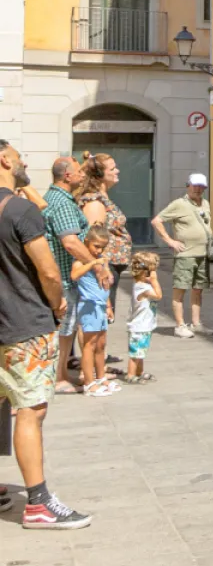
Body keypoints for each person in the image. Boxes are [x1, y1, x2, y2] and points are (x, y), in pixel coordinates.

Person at [0, 140, 90, 529]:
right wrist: (57, 305)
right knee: (30, 410)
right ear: (4, 159)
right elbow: (50, 272)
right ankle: (37, 502)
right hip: (23, 323)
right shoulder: (21, 209)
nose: (23, 162)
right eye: (19, 156)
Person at [41, 157, 94, 394]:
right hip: (63, 277)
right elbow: (71, 241)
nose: (82, 175)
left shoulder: (58, 198)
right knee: (65, 330)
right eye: (79, 172)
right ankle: (60, 376)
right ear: (67, 176)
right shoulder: (61, 203)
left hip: (65, 276)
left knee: (67, 329)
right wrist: (96, 264)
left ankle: (61, 373)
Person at [151, 173, 213, 340]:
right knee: (180, 290)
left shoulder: (205, 204)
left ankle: (196, 323)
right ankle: (180, 325)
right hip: (185, 255)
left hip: (202, 254)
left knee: (198, 290)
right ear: (188, 185)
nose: (198, 189)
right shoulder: (179, 204)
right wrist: (170, 241)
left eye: (202, 186)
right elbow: (157, 221)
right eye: (195, 186)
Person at [77, 153, 132, 328]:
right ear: (100, 175)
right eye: (113, 168)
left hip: (110, 266)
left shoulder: (103, 198)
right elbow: (93, 239)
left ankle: (101, 353)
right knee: (98, 315)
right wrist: (102, 268)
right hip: (104, 267)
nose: (118, 171)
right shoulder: (95, 202)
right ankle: (96, 354)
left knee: (103, 317)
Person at [76, 226, 116, 398]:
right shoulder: (81, 260)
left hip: (100, 306)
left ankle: (100, 378)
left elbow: (104, 284)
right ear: (87, 242)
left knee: (101, 345)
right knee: (89, 345)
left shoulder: (102, 260)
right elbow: (74, 274)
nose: (99, 250)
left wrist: (108, 306)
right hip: (89, 306)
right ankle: (88, 382)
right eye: (96, 246)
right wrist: (92, 263)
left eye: (102, 247)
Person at [125, 252, 162, 383]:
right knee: (135, 353)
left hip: (144, 325)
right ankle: (130, 374)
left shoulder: (142, 285)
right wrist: (154, 281)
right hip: (139, 326)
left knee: (141, 352)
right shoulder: (142, 288)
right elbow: (158, 295)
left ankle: (139, 372)